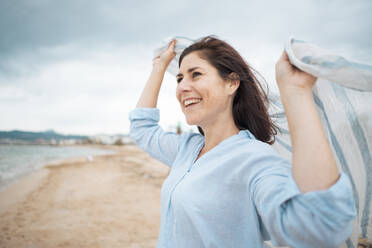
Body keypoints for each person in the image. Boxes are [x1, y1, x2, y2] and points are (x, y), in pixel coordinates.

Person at [128, 36, 356, 248]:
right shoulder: (187, 148)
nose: (182, 87)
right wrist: (158, 67)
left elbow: (320, 225)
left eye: (195, 74)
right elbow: (142, 129)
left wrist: (295, 91)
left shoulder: (254, 159)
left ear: (231, 83)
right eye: (179, 78)